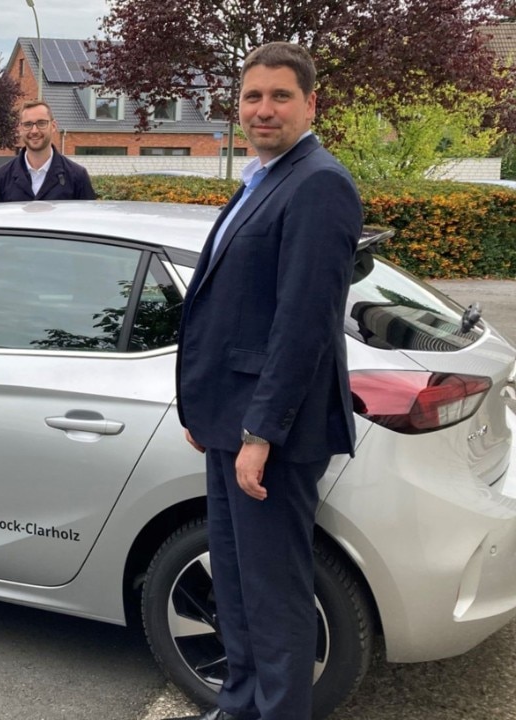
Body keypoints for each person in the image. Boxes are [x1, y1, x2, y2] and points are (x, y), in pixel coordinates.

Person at [171, 42, 362, 720]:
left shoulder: (318, 183)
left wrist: (259, 432)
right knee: (239, 584)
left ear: (312, 104)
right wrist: (207, 412)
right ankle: (241, 703)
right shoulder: (262, 178)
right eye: (253, 96)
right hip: (231, 423)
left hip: (271, 437)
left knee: (275, 595)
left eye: (280, 96)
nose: (263, 109)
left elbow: (303, 325)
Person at [0, 100, 96, 203]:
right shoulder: (1, 178)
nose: (34, 131)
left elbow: (87, 220)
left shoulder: (77, 176)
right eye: (28, 124)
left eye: (41, 123)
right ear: (20, 129)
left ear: (53, 126)